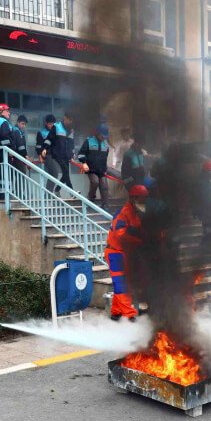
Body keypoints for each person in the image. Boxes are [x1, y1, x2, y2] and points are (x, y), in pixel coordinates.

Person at [105, 185, 148, 321]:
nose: (144, 202)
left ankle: (116, 313)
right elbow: (120, 234)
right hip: (115, 253)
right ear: (133, 198)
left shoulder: (136, 212)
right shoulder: (124, 213)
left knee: (125, 282)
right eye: (142, 199)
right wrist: (138, 237)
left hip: (124, 253)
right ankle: (129, 315)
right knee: (121, 284)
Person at [77, 123, 111, 209]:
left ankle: (105, 205)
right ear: (97, 133)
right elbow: (80, 154)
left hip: (102, 170)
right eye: (102, 135)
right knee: (95, 182)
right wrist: (84, 163)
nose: (103, 137)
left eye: (105, 136)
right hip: (91, 169)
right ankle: (91, 201)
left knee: (104, 185)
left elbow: (105, 157)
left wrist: (105, 169)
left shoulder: (106, 144)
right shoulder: (89, 141)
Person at [43, 112, 75, 194]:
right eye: (69, 120)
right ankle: (71, 192)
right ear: (65, 118)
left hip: (66, 155)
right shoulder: (56, 126)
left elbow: (71, 144)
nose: (70, 122)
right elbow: (49, 139)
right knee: (66, 171)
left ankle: (57, 190)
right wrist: (45, 149)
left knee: (65, 175)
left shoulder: (71, 130)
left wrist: (72, 154)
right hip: (57, 154)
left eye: (72, 120)